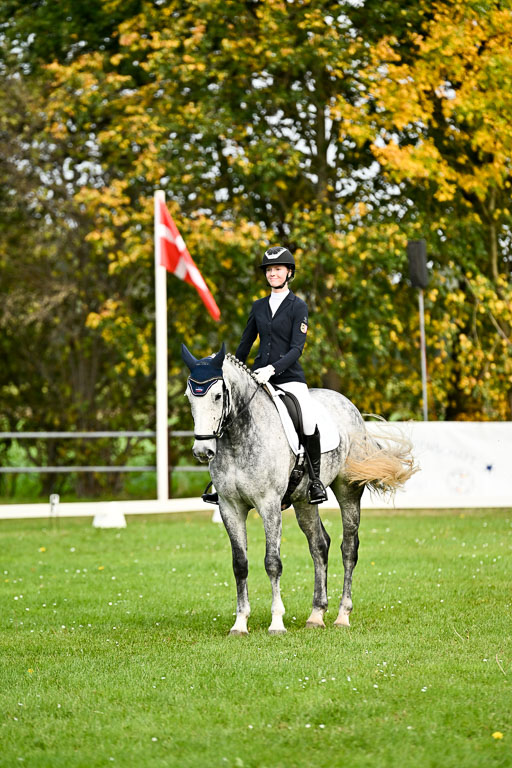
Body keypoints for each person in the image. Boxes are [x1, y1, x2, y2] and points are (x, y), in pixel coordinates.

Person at [234, 245, 328, 505]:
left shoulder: (298, 306)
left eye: (277, 269)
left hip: (288, 377)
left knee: (308, 420)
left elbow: (297, 348)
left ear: (289, 273)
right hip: (257, 377)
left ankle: (316, 482)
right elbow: (245, 343)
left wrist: (273, 369)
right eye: (269, 270)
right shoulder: (258, 307)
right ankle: (222, 479)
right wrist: (234, 372)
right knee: (230, 413)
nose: (272, 274)